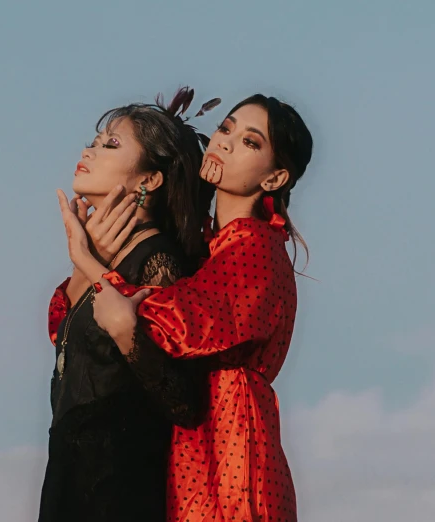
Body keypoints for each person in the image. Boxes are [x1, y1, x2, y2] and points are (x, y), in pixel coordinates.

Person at [58, 93, 313, 521]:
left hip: (233, 452)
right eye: (226, 129)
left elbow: (174, 320)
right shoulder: (210, 248)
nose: (225, 143)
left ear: (274, 178)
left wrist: (88, 259)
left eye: (250, 143)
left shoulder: (256, 248)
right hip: (196, 450)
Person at [40, 89, 219, 521]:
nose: (91, 149)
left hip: (115, 482)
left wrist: (128, 331)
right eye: (96, 140)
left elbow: (182, 400)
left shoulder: (157, 261)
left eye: (112, 144)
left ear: (149, 180)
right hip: (70, 474)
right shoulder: (107, 260)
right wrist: (86, 261)